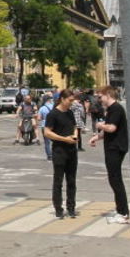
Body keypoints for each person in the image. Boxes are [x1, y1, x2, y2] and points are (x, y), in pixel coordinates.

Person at [91, 86, 130, 224]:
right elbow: (110, 129)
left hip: (116, 148)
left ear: (108, 95)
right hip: (113, 147)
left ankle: (123, 212)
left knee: (115, 179)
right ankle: (121, 209)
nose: (99, 100)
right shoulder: (112, 109)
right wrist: (97, 137)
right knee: (114, 179)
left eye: (100, 97)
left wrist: (100, 125)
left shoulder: (116, 109)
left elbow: (111, 128)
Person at [44, 89, 80, 218]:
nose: (72, 103)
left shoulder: (70, 113)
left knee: (72, 181)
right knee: (58, 180)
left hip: (72, 150)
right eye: (70, 100)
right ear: (62, 99)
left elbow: (75, 126)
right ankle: (58, 208)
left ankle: (71, 207)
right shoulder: (53, 114)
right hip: (59, 150)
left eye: (73, 100)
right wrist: (64, 139)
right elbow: (47, 132)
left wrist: (75, 135)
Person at [38, 93, 56, 160]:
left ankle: (49, 156)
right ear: (49, 100)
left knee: (47, 142)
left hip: (44, 125)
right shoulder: (54, 106)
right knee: (55, 140)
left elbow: (39, 118)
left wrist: (44, 118)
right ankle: (56, 153)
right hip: (54, 125)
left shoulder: (42, 108)